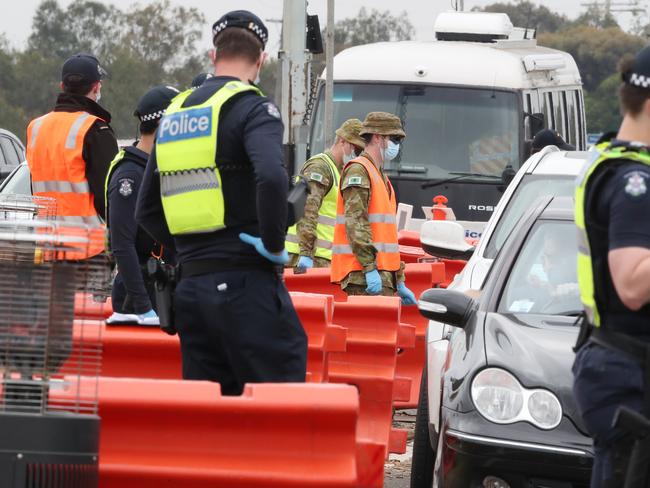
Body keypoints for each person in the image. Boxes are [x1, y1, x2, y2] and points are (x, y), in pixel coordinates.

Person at [135, 10, 307, 395]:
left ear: (214, 56)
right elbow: (272, 176)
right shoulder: (253, 108)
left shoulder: (175, 115)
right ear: (260, 60)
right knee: (281, 390)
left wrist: (192, 249)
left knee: (210, 407)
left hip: (191, 289)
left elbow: (145, 208)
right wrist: (274, 243)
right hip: (245, 281)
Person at [573, 46, 650, 487]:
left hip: (614, 361)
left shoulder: (610, 160)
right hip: (629, 371)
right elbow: (632, 282)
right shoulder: (633, 182)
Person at [25, 53, 118, 258]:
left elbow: (36, 187)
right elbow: (110, 198)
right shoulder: (95, 128)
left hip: (48, 248)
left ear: (62, 86)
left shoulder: (35, 128)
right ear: (96, 86)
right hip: (87, 250)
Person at [105, 85, 179, 326]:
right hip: (136, 297)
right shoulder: (130, 175)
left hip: (161, 286)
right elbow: (122, 244)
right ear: (163, 124)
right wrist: (142, 307)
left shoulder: (161, 169)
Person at [330, 112, 417, 304]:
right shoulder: (359, 170)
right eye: (394, 139)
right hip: (363, 275)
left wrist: (398, 278)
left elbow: (386, 236)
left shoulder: (379, 176)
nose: (397, 145)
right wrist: (369, 268)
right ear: (378, 137)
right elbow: (355, 223)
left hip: (380, 274)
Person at [285, 118, 365, 271]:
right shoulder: (320, 168)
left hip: (322, 257)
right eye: (355, 149)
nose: (357, 155)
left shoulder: (339, 172)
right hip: (305, 257)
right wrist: (306, 253)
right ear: (342, 141)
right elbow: (308, 211)